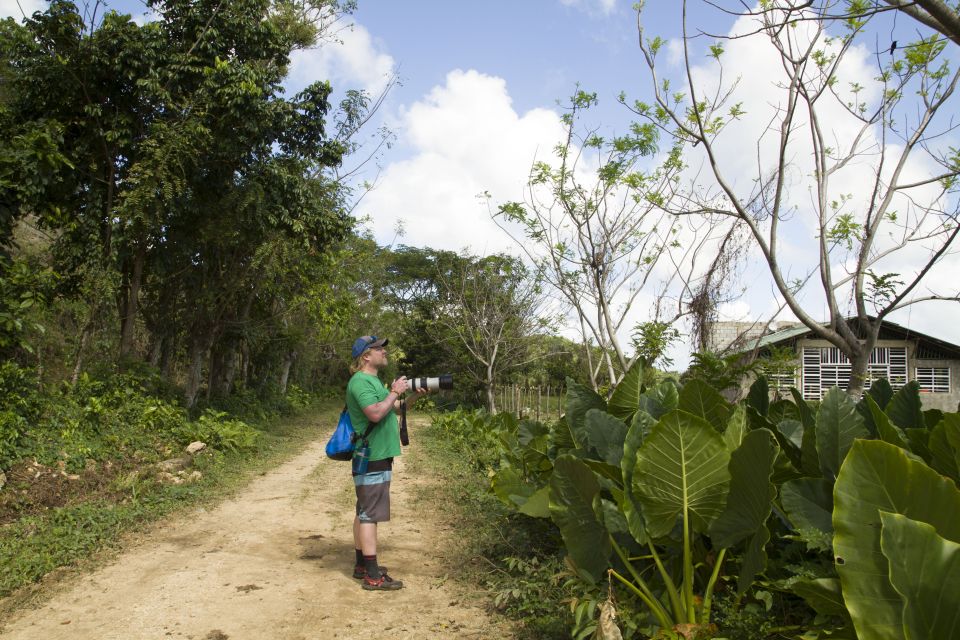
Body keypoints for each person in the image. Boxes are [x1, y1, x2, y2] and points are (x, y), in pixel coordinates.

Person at [345, 335, 423, 591]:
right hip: (372, 455)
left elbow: (393, 407)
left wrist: (412, 397)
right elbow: (376, 413)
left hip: (378, 454)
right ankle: (372, 575)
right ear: (366, 356)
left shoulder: (373, 381)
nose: (384, 352)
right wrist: (393, 391)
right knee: (370, 515)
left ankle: (361, 565)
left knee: (363, 510)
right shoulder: (360, 382)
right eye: (379, 349)